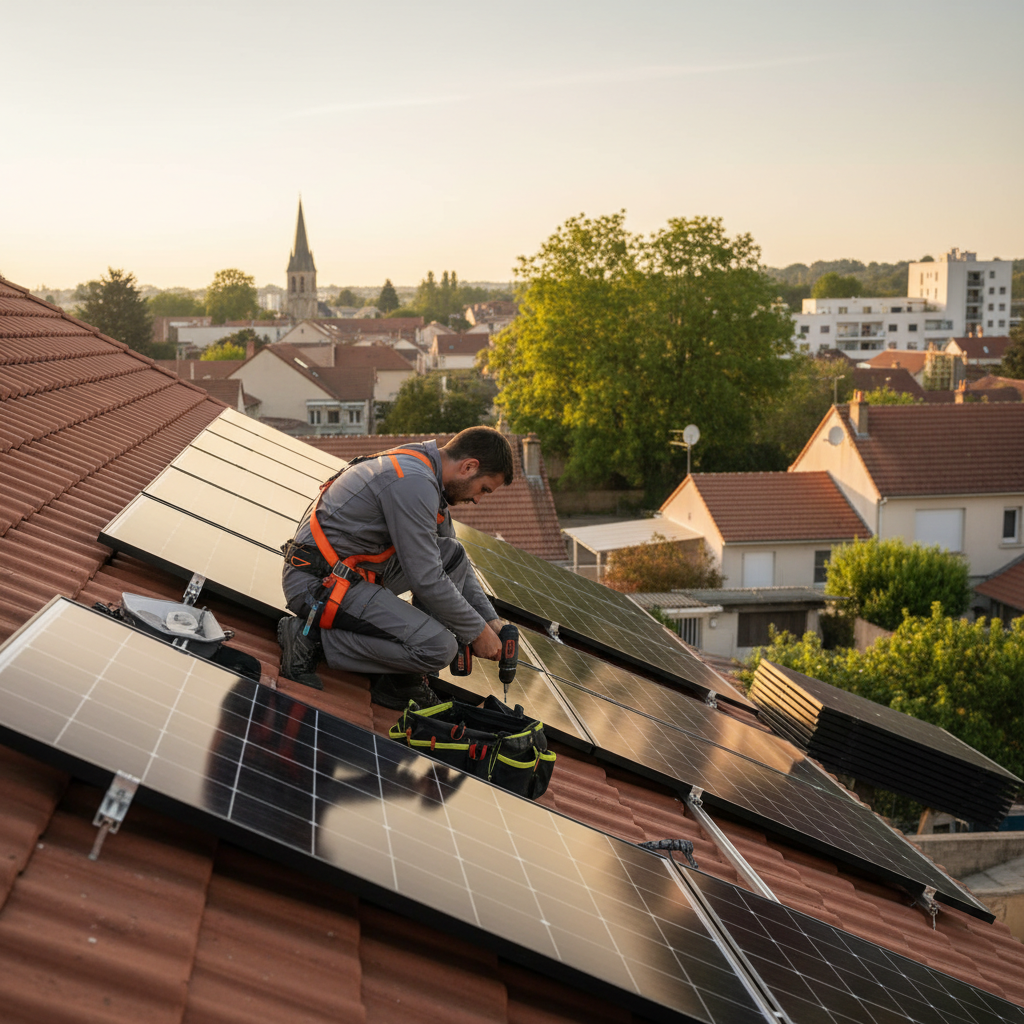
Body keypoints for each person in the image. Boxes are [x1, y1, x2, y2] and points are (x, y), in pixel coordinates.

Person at [278, 426, 514, 708]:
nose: (477, 499)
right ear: (469, 467)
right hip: (318, 585)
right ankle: (310, 640)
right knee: (440, 648)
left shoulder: (423, 468)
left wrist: (491, 623)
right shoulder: (413, 482)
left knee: (452, 553)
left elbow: (449, 560)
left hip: (350, 574)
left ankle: (402, 681)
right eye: (483, 489)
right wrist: (476, 632)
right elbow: (426, 578)